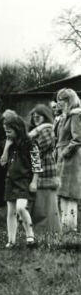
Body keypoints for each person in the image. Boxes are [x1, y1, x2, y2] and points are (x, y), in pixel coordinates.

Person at [1, 115, 38, 248]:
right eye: (5, 131)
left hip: (24, 180)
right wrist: (6, 147)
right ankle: (11, 240)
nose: (7, 133)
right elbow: (2, 162)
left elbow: (37, 164)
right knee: (10, 212)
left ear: (18, 129)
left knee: (21, 207)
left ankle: (30, 235)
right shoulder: (9, 144)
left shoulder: (31, 144)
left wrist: (34, 182)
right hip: (10, 180)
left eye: (9, 131)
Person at [28, 104, 61, 234]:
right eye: (34, 116)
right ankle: (44, 232)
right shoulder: (39, 130)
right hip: (40, 169)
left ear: (45, 117)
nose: (35, 118)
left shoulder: (46, 130)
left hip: (46, 171)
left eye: (39, 116)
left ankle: (50, 232)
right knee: (41, 204)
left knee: (46, 205)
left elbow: (37, 149)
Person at [55, 88, 81, 232]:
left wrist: (64, 153)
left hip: (71, 158)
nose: (59, 103)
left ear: (69, 101)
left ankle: (71, 228)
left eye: (62, 100)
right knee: (63, 192)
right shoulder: (66, 116)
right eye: (58, 100)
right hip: (64, 157)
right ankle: (65, 226)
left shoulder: (75, 115)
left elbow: (77, 139)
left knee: (69, 193)